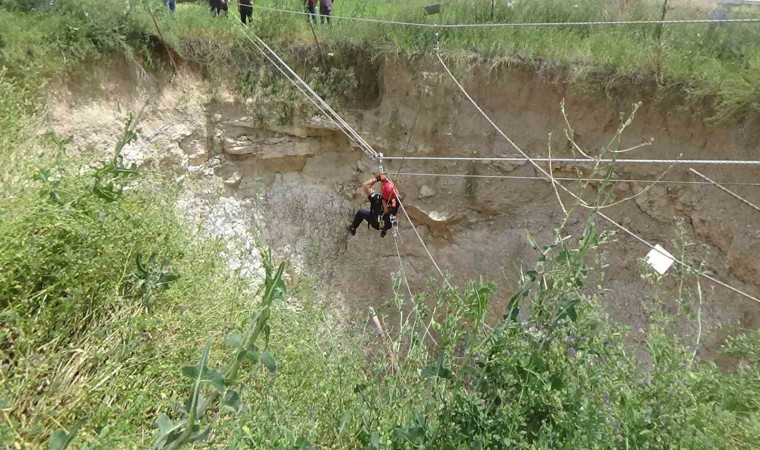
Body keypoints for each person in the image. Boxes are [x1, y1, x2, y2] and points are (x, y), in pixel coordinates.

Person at [347, 173, 400, 238]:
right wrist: (388, 184)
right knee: (388, 218)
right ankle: (384, 229)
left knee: (360, 212)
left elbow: (365, 185)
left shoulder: (376, 198)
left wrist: (377, 178)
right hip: (387, 224)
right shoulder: (396, 201)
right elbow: (395, 193)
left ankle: (353, 228)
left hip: (375, 222)